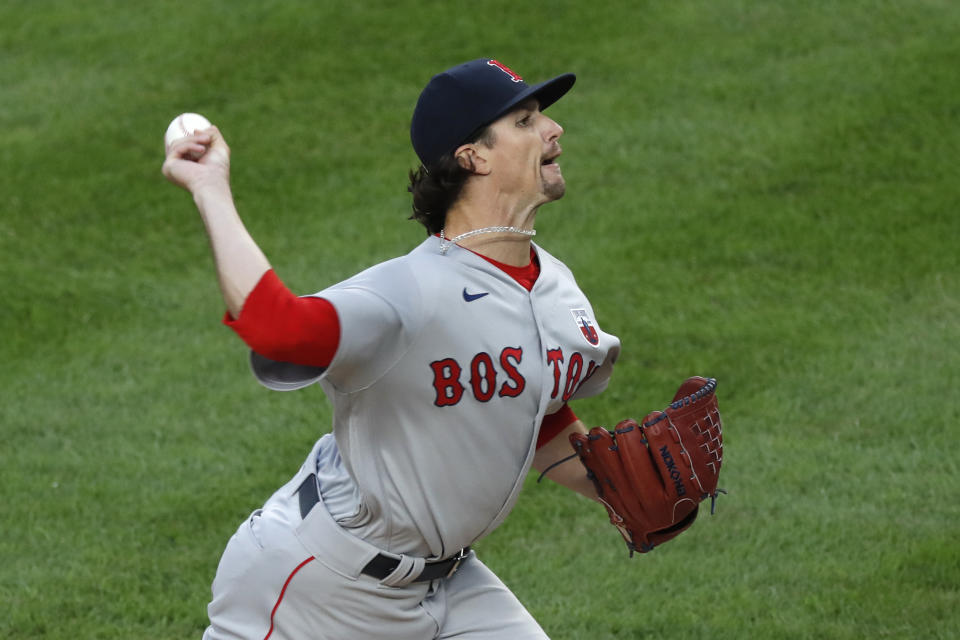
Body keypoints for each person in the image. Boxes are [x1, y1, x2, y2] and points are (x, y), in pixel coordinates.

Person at [162, 58, 620, 640]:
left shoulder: (554, 289)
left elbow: (531, 406)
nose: (554, 131)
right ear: (472, 156)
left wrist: (617, 485)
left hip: (451, 584)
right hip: (319, 584)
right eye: (527, 121)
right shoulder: (407, 294)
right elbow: (280, 330)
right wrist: (210, 188)